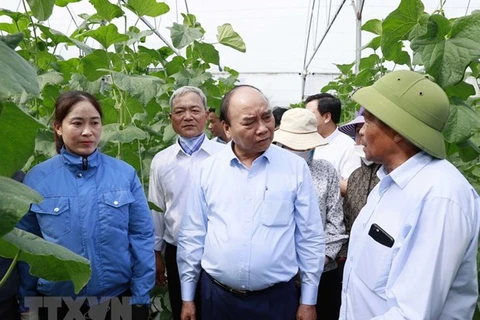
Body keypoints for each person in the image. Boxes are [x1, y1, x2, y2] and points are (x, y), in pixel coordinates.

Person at [177, 85, 325, 320]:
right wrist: (187, 296)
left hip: (276, 301)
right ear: (227, 128)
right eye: (249, 122)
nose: (263, 128)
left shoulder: (295, 169)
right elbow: (192, 235)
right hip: (218, 298)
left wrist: (309, 299)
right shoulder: (208, 171)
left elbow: (310, 237)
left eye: (267, 117)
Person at [340, 70, 480, 319]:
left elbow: (412, 314)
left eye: (369, 119)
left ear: (398, 131)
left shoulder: (439, 198)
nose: (360, 130)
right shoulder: (388, 181)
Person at [17, 91, 154, 320]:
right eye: (77, 123)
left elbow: (141, 235)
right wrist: (26, 300)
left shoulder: (124, 175)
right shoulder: (38, 179)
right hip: (55, 304)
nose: (87, 131)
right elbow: (26, 244)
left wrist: (140, 298)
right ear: (58, 127)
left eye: (95, 122)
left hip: (115, 299)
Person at [149, 87, 224, 320]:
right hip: (176, 250)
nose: (187, 116)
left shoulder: (224, 156)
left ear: (206, 115)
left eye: (194, 110)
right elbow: (157, 209)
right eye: (180, 111)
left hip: (218, 250)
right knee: (184, 311)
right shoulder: (162, 161)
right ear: (171, 118)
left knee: (217, 310)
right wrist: (156, 254)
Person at [273, 108, 347, 320]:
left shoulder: (325, 171)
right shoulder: (270, 171)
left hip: (322, 271)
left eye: (307, 145)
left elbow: (335, 222)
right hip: (279, 274)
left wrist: (318, 260)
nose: (302, 149)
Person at [336, 109, 381, 274]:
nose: (361, 136)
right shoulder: (355, 177)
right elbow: (347, 221)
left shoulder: (390, 176)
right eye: (357, 132)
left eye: (366, 129)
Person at [305, 93, 360, 181]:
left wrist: (320, 185)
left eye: (309, 115)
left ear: (327, 117)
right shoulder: (303, 142)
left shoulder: (348, 147)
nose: (305, 119)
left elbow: (351, 185)